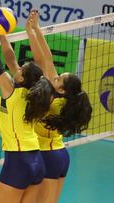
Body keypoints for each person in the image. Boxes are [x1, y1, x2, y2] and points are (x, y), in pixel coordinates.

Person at [0, 6, 53, 203]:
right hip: (37, 161)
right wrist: (3, 35)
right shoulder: (38, 92)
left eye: (21, 69)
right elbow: (11, 59)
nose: (18, 67)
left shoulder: (10, 91)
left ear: (22, 77)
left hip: (17, 162)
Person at [26, 10, 92, 203]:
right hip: (61, 155)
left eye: (59, 78)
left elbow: (44, 61)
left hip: (46, 156)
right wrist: (35, 29)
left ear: (62, 89)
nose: (55, 76)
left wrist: (34, 30)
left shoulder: (49, 100)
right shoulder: (66, 100)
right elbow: (46, 59)